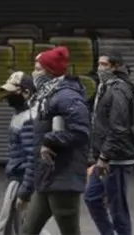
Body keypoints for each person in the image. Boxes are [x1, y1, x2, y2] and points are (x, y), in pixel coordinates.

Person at [21, 46, 91, 235]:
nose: (33, 73)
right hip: (47, 177)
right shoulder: (48, 95)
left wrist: (48, 140)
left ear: (49, 72)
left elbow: (81, 132)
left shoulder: (66, 96)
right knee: (27, 231)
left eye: (38, 69)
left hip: (62, 178)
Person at [85, 52, 134, 235]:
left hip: (116, 159)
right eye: (99, 64)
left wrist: (104, 157)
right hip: (106, 157)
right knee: (92, 198)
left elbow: (118, 128)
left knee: (117, 207)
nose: (100, 68)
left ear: (115, 67)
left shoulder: (119, 90)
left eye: (104, 64)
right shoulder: (105, 87)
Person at [0, 71, 51, 235]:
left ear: (26, 93)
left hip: (21, 181)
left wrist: (25, 191)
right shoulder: (20, 114)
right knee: (21, 226)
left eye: (12, 92)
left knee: (16, 226)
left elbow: (32, 158)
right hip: (18, 180)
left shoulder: (28, 119)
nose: (8, 97)